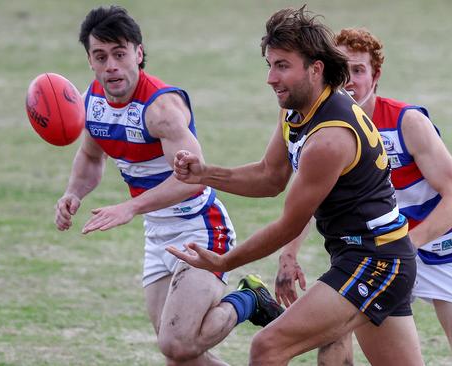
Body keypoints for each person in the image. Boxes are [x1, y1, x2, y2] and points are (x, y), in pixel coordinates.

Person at [274, 28, 452, 366]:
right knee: (336, 338)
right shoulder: (322, 126)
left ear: (376, 75)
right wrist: (289, 254)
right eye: (344, 69)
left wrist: (407, 244)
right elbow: (310, 195)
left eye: (359, 70)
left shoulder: (405, 121)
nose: (350, 80)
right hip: (377, 254)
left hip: (442, 248)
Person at [168, 6, 425, 366]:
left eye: (283, 65)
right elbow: (270, 177)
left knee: (267, 348)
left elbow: (289, 224)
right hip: (368, 257)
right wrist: (205, 173)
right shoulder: (298, 109)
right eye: (270, 65)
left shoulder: (330, 138)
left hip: (375, 261)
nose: (271, 78)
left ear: (315, 68)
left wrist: (225, 261)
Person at [55, 6, 283, 365]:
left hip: (200, 227)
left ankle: (250, 298)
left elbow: (192, 181)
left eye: (119, 54)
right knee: (182, 358)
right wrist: (73, 193)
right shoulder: (93, 103)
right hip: (157, 233)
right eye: (101, 57)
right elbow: (91, 157)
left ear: (138, 54)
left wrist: (129, 206)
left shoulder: (162, 108)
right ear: (90, 61)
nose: (111, 66)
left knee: (175, 344)